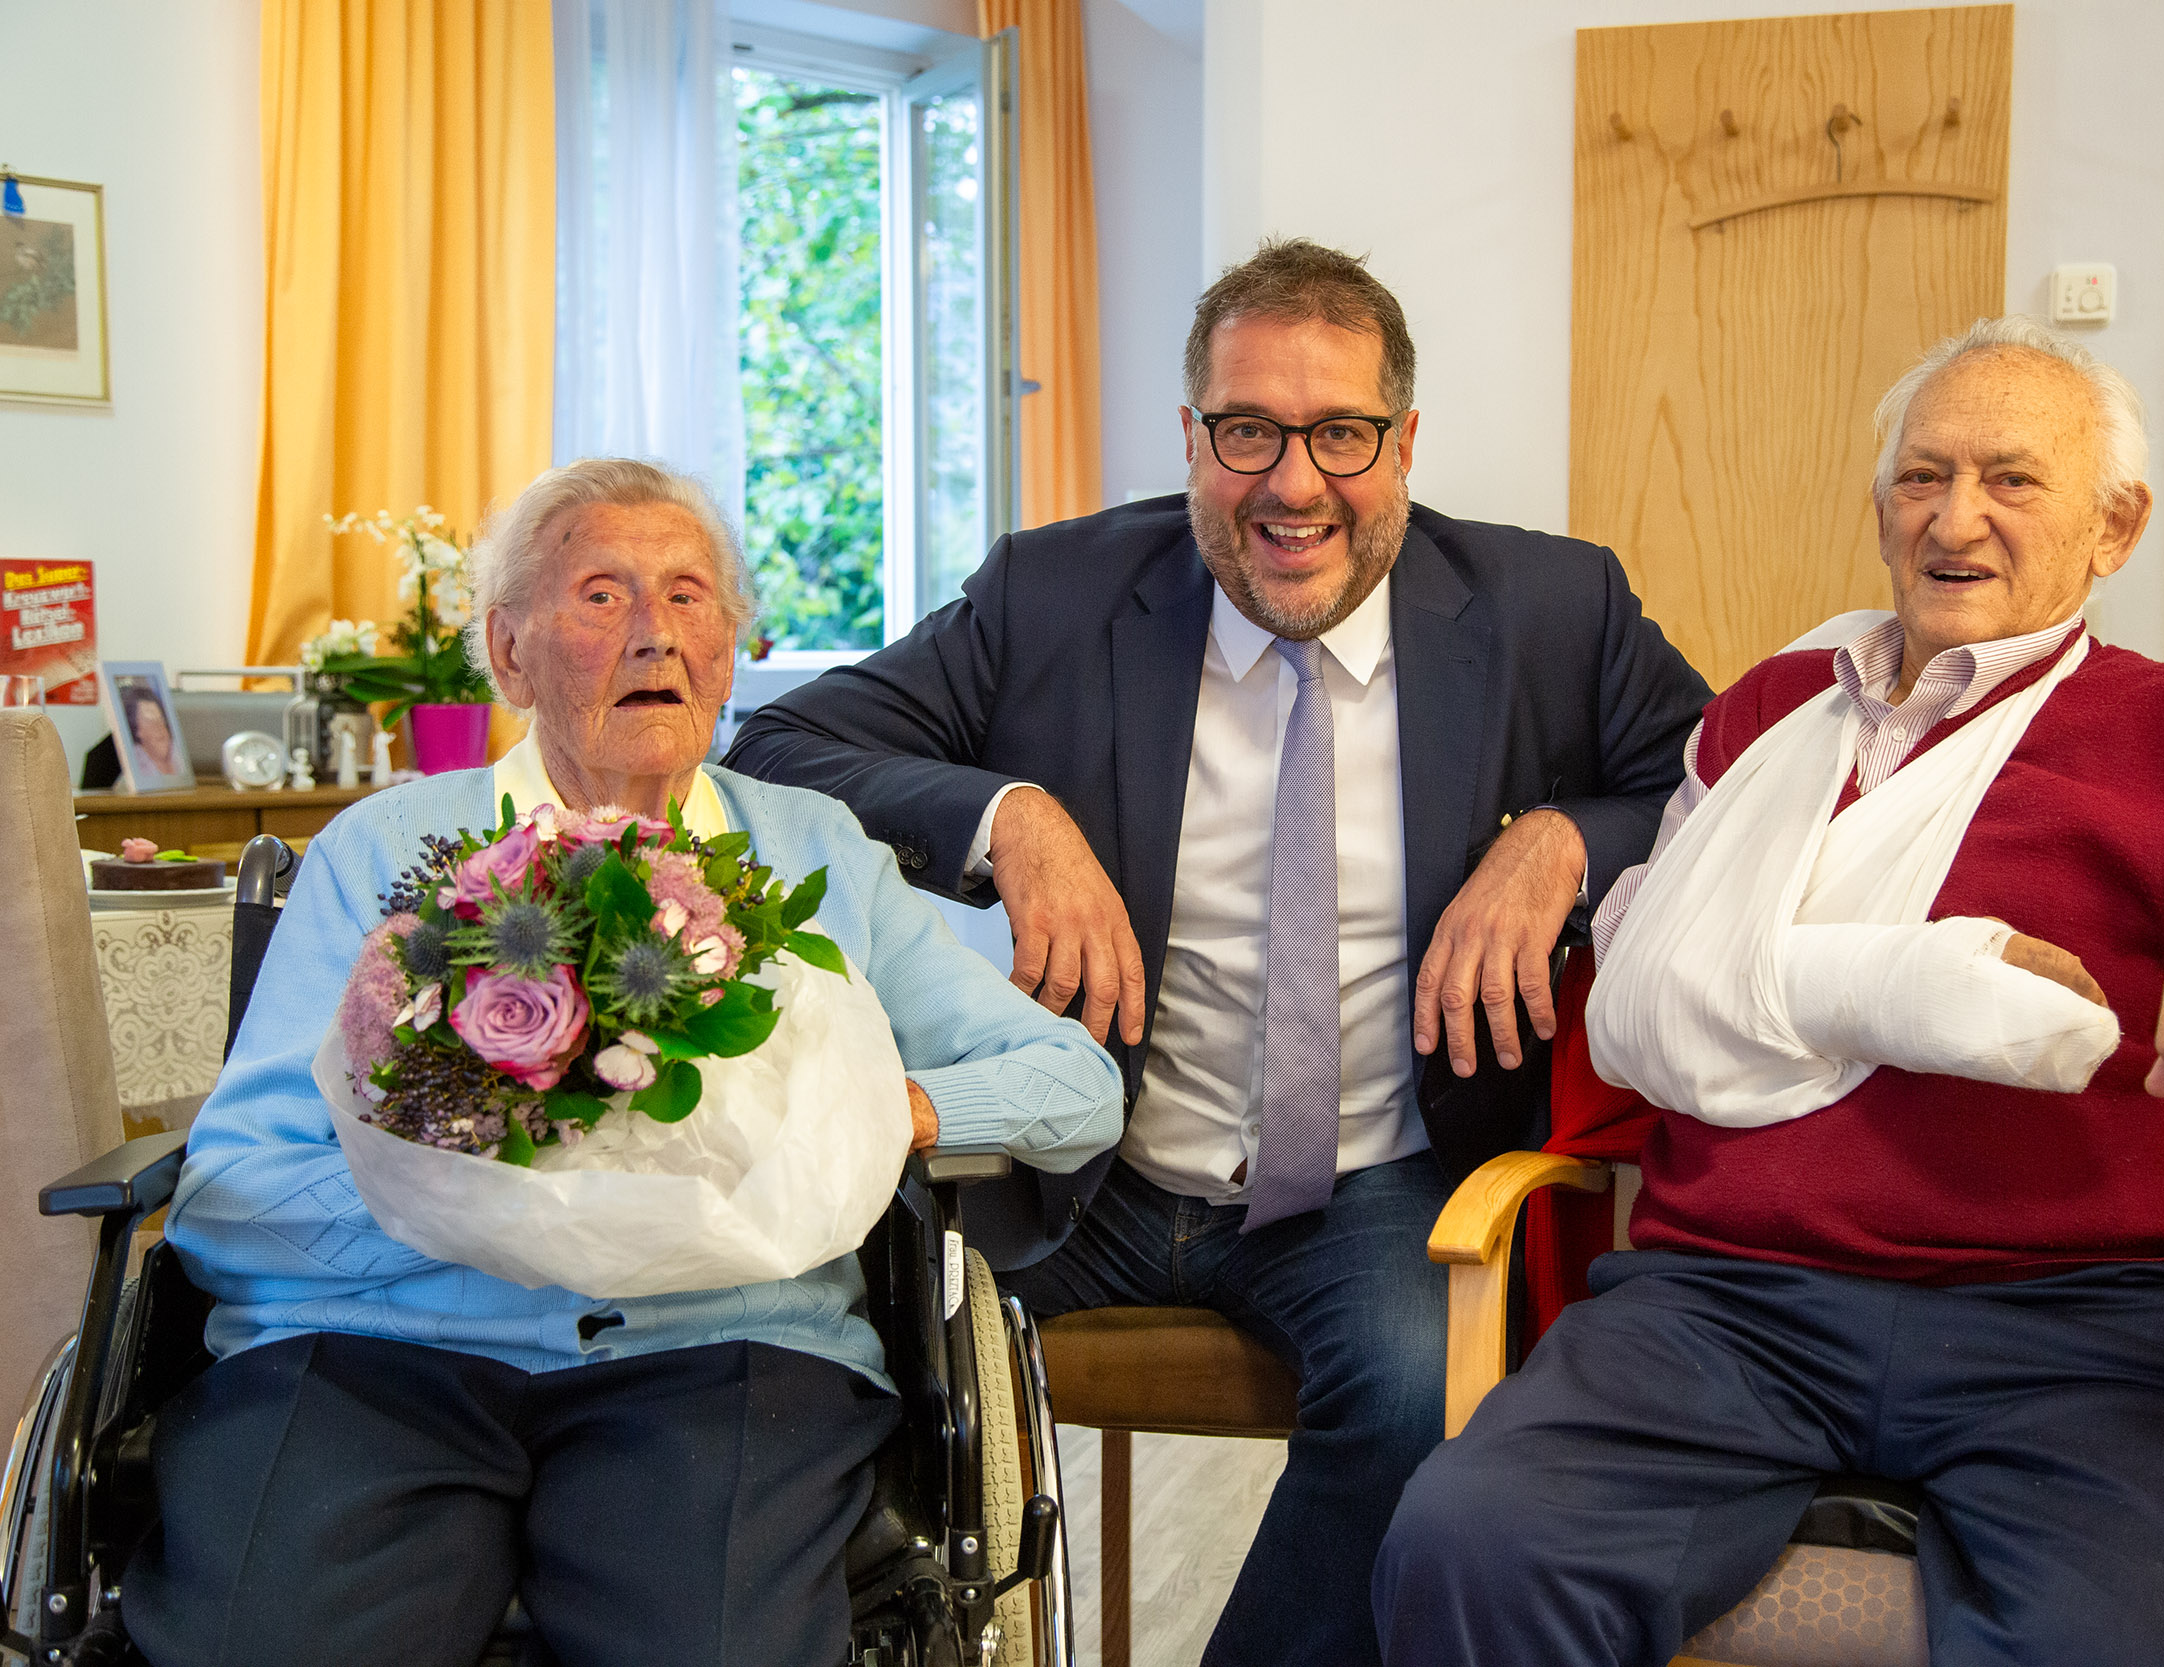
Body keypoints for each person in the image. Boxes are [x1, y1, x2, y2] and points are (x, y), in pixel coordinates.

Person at [1371, 315, 2164, 1667]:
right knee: (1467, 1541)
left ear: (2115, 526)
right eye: (1923, 476)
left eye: (2013, 480)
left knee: (2112, 1637)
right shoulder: (1770, 711)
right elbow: (1653, 972)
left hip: (2089, 1325)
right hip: (1728, 1302)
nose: (1956, 517)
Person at [724, 237, 1713, 1665]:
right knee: (822, 1334)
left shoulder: (1553, 607)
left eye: (1341, 434)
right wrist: (1010, 813)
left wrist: (1562, 837)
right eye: (1248, 430)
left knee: (1425, 1388)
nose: (1294, 482)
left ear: (1405, 442)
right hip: (1086, 1165)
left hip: (1377, 1181)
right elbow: (786, 740)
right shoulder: (1055, 592)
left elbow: (1713, 787)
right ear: (1191, 438)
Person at [120, 458, 1125, 1667]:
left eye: (690, 596)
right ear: (508, 651)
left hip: (723, 1352)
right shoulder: (383, 853)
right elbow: (231, 1192)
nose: (656, 631)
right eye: (600, 595)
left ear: (732, 646)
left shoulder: (812, 852)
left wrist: (890, 1108)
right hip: (372, 1351)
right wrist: (473, 1200)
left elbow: (1075, 1087)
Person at [122, 681, 182, 779]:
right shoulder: (133, 766)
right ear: (136, 730)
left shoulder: (178, 753)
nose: (159, 727)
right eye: (150, 720)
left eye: (160, 719)